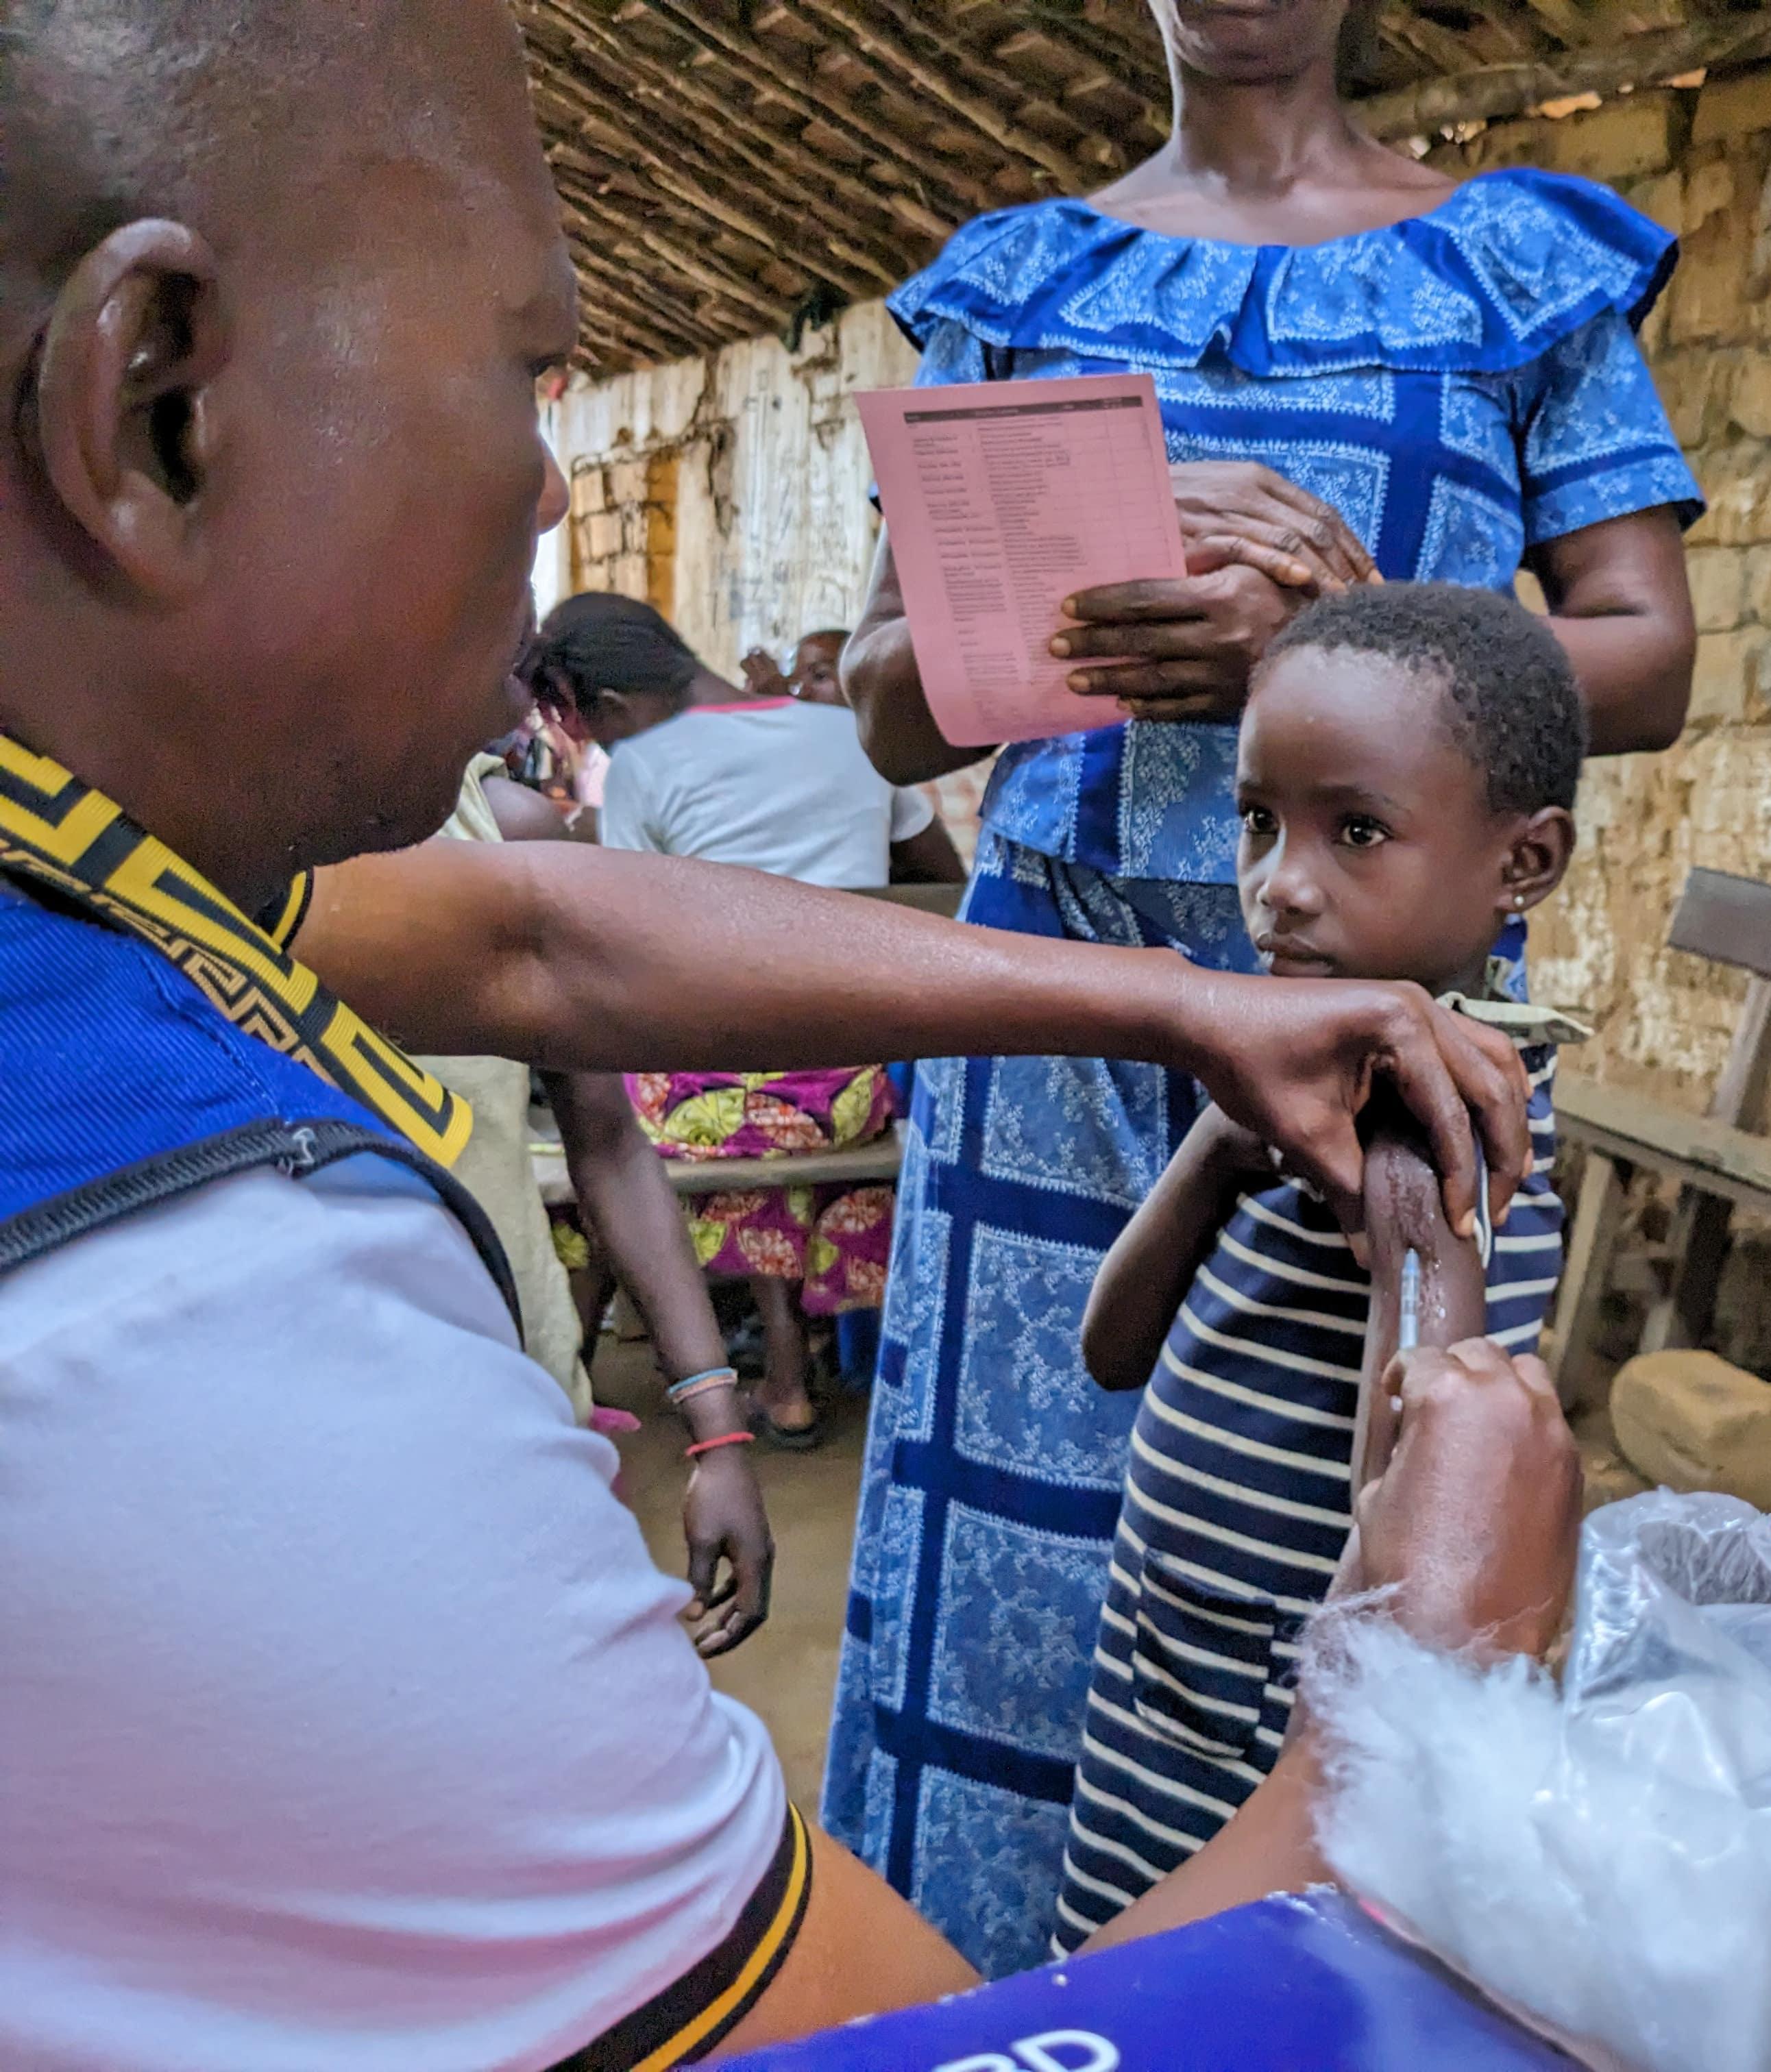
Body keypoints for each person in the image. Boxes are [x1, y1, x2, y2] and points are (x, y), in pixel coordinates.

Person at [0, 4, 1575, 2065]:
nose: (552, 476)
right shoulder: (192, 1346)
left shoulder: (77, 880)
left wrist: (1183, 1007)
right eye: (523, 372)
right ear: (161, 406)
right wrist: (1423, 1697)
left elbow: (531, 935)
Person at [831, 0, 1703, 1969]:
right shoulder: (1023, 283)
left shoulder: (1512, 272)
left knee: (1338, 1548)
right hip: (1049, 1015)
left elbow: (1647, 658)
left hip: (1387, 1020)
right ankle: (979, 2000)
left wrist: (1346, 637)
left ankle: (1284, 1989)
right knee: (1027, 1556)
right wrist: (1079, 602)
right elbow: (887, 715)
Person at [1062, 583, 1589, 1949]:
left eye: (1357, 832)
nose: (1280, 886)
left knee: (1202, 1982)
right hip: (1166, 1650)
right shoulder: (1307, 1079)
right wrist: (1218, 1150)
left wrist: (1382, 1181)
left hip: (1267, 1683)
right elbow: (1110, 1353)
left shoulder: (1426, 1131)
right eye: (1258, 822)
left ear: (1523, 865)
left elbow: (1417, 1483)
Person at [534, 591, 962, 1444]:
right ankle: (789, 1365)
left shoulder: (645, 768)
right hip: (848, 1094)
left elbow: (623, 948)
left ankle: (643, 1359)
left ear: (613, 708)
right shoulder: (851, 735)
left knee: (588, 1120)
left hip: (705, 1105)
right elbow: (938, 876)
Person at [417, 748, 776, 1654]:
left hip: (526, 1394)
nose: (523, 710)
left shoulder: (504, 829)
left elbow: (610, 1142)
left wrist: (718, 1433)